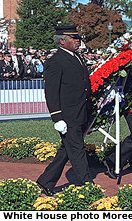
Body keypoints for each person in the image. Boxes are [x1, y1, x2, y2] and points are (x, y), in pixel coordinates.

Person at [36, 25, 93, 196]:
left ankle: (46, 181)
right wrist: (56, 117)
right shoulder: (55, 61)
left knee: (67, 150)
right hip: (67, 115)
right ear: (62, 41)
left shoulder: (77, 58)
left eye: (78, 38)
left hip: (80, 112)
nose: (77, 41)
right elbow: (51, 92)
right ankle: (87, 185)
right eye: (73, 38)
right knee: (77, 149)